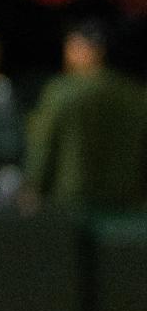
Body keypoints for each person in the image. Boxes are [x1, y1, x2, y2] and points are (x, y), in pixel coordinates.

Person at [24, 23, 147, 211]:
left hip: (73, 200)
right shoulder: (137, 95)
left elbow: (43, 144)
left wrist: (33, 186)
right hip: (127, 201)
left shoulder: (61, 92)